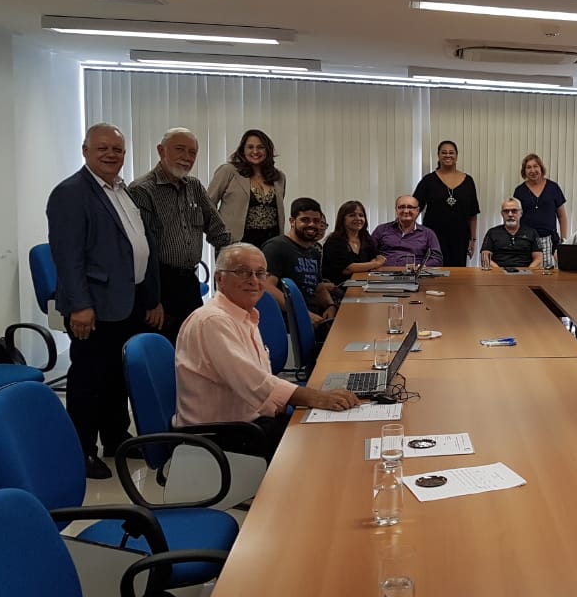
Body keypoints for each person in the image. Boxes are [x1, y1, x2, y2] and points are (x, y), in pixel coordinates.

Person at [46, 123, 162, 480]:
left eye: (117, 149)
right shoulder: (71, 193)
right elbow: (67, 257)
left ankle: (115, 439)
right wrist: (80, 305)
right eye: (103, 148)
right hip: (94, 306)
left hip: (129, 300)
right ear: (85, 151)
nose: (111, 154)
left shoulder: (122, 190)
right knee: (89, 380)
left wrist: (152, 298)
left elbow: (139, 245)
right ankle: (81, 450)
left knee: (117, 377)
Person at [174, 243, 361, 458]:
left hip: (248, 423)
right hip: (219, 436)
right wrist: (316, 398)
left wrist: (281, 401)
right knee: (329, 447)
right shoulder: (212, 321)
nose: (254, 280)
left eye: (260, 273)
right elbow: (253, 383)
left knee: (338, 430)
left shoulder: (244, 314)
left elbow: (256, 382)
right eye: (243, 272)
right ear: (219, 278)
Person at [129, 127, 231, 344]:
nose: (187, 157)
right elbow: (141, 250)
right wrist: (151, 299)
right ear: (161, 150)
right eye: (180, 149)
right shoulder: (142, 190)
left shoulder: (194, 186)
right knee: (164, 348)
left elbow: (218, 230)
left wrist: (231, 269)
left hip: (188, 282)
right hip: (159, 283)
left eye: (192, 152)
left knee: (195, 344)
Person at [263, 198, 337, 327]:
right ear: (292, 221)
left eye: (316, 221)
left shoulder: (314, 252)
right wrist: (302, 313)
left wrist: (330, 306)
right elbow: (267, 287)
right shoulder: (276, 247)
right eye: (305, 220)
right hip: (289, 324)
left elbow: (319, 288)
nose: (312, 225)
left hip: (316, 320)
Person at [207, 129, 286, 248]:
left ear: (268, 150)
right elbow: (208, 205)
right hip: (235, 244)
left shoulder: (279, 177)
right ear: (242, 150)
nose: (255, 151)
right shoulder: (228, 171)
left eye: (260, 147)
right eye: (250, 147)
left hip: (271, 244)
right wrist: (218, 236)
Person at [413, 140, 480, 268]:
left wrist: (473, 240)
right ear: (438, 155)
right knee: (434, 272)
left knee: (457, 275)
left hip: (460, 238)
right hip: (433, 238)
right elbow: (414, 209)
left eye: (451, 152)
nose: (448, 155)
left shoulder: (468, 181)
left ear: (456, 156)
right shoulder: (428, 180)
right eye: (444, 152)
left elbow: (473, 214)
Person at [513, 153, 567, 250]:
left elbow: (562, 216)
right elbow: (515, 217)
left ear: (541, 168)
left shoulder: (553, 188)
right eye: (529, 167)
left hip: (550, 240)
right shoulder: (519, 191)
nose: (532, 170)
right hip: (526, 241)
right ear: (524, 171)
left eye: (535, 166)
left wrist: (564, 240)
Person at [371, 195, 444, 268]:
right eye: (401, 207)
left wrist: (421, 267)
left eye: (410, 207)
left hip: (415, 273)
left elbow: (437, 258)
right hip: (384, 272)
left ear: (417, 210)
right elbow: (368, 252)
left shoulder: (428, 233)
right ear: (396, 210)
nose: (406, 211)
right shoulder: (381, 229)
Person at [322, 200, 386, 282]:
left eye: (361, 215)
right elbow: (348, 269)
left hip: (364, 282)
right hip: (339, 286)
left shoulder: (366, 237)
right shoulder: (334, 241)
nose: (358, 218)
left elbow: (376, 257)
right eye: (352, 215)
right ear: (343, 219)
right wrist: (376, 264)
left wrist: (373, 263)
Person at [481, 198, 542, 269]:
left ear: (521, 213)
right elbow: (485, 258)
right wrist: (500, 272)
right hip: (498, 272)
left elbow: (538, 259)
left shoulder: (532, 233)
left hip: (526, 272)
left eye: (514, 211)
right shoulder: (492, 233)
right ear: (502, 214)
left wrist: (527, 272)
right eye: (506, 211)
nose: (510, 214)